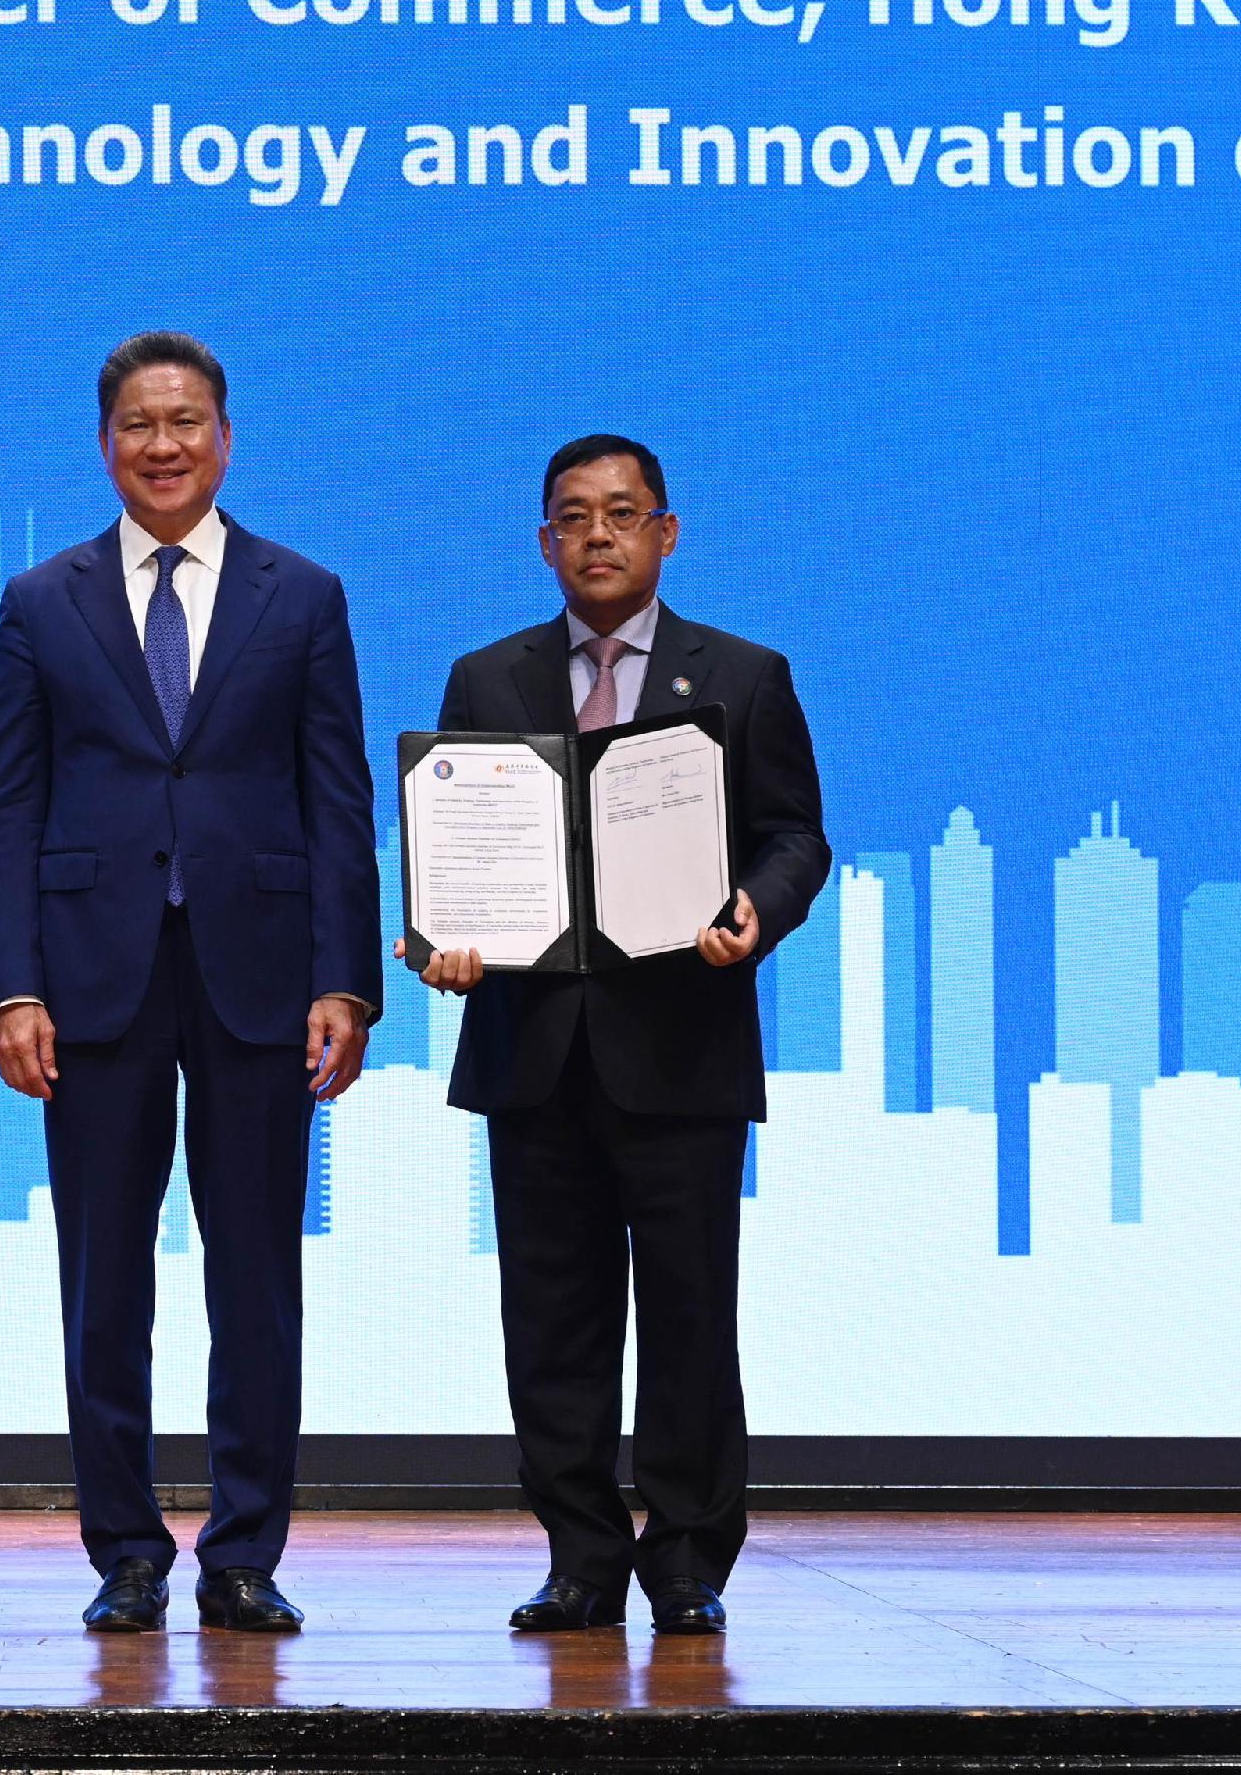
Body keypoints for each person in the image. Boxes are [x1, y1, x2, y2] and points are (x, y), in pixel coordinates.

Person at [0, 331, 381, 1635]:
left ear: (226, 434)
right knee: (106, 1279)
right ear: (106, 443)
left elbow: (337, 797)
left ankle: (247, 1549)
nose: (164, 442)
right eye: (141, 422)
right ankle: (126, 1552)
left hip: (260, 976)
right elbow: (9, 807)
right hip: (94, 981)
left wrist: (348, 978)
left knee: (255, 1274)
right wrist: (11, 985)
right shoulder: (43, 598)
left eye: (188, 419)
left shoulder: (302, 593)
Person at [416, 434, 829, 1639]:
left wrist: (760, 908)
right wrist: (436, 938)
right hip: (532, 1049)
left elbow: (794, 836)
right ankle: (581, 1557)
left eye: (621, 514)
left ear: (665, 532)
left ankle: (689, 1556)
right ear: (544, 541)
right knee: (553, 1324)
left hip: (683, 1049)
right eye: (571, 518)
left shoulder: (743, 676)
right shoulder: (485, 678)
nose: (597, 536)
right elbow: (453, 850)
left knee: (692, 1317)